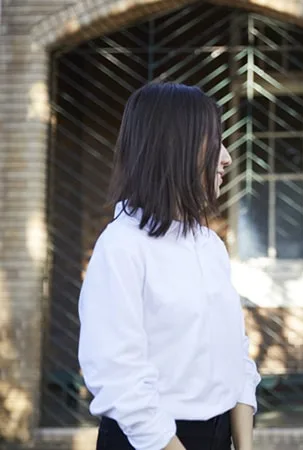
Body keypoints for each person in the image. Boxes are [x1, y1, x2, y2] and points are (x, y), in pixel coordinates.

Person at [77, 82, 261, 450]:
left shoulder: (210, 246)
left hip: (218, 434)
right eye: (214, 140)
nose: (226, 157)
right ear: (174, 147)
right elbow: (118, 376)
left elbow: (236, 357)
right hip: (148, 441)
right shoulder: (122, 247)